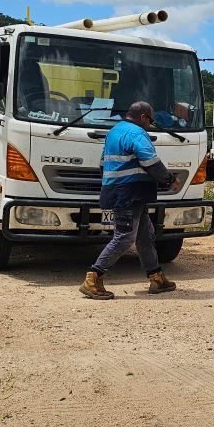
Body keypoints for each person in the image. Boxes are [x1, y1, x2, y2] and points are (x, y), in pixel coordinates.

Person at [80, 101, 177, 300]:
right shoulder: (136, 133)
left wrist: (113, 181)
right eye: (150, 120)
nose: (150, 124)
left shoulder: (114, 131)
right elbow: (150, 161)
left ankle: (156, 278)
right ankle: (93, 277)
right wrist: (170, 179)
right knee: (124, 237)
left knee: (145, 235)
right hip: (129, 193)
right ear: (143, 117)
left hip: (124, 192)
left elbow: (102, 164)